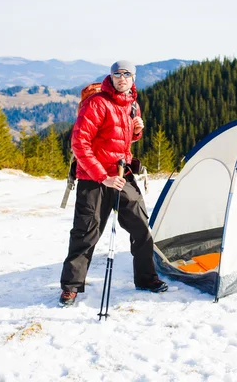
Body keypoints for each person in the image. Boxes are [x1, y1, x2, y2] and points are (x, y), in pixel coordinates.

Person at [59, 60, 168, 307]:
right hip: (94, 179)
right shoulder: (97, 103)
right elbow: (80, 144)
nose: (121, 78)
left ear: (133, 78)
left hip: (122, 174)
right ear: (111, 77)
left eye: (126, 74)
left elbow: (122, 139)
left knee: (141, 227)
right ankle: (71, 287)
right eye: (117, 74)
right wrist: (102, 177)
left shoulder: (132, 105)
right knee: (86, 233)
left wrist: (137, 130)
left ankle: (146, 279)